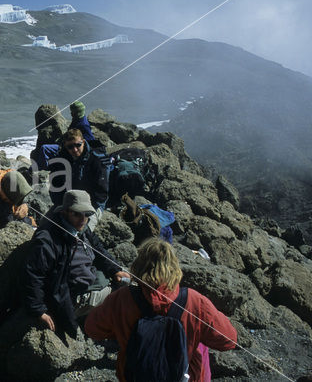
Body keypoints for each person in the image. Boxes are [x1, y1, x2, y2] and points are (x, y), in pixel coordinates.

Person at [85, 239, 237, 382]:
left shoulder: (121, 298)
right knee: (200, 347)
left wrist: (120, 331)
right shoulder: (195, 301)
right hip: (181, 376)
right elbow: (228, 341)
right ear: (174, 268)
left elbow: (92, 329)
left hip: (135, 376)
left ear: (138, 266)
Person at [22, 190, 129, 337]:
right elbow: (33, 275)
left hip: (89, 278)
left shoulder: (80, 228)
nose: (83, 219)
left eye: (86, 214)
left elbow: (97, 248)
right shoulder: (48, 240)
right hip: (72, 296)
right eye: (77, 214)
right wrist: (39, 310)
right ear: (65, 212)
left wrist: (114, 269)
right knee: (126, 292)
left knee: (126, 277)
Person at [48, 128, 111, 231]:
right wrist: (63, 208)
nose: (75, 149)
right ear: (65, 146)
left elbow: (101, 193)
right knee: (45, 226)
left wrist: (84, 211)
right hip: (68, 203)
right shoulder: (60, 161)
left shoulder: (96, 160)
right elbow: (55, 188)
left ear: (83, 142)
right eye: (70, 146)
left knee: (82, 231)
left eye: (78, 145)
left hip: (91, 205)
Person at [34, 101, 96, 171]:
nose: (71, 113)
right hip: (67, 144)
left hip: (68, 147)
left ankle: (42, 170)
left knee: (44, 148)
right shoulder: (78, 119)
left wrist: (76, 144)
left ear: (75, 112)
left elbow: (91, 139)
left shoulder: (83, 124)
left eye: (72, 112)